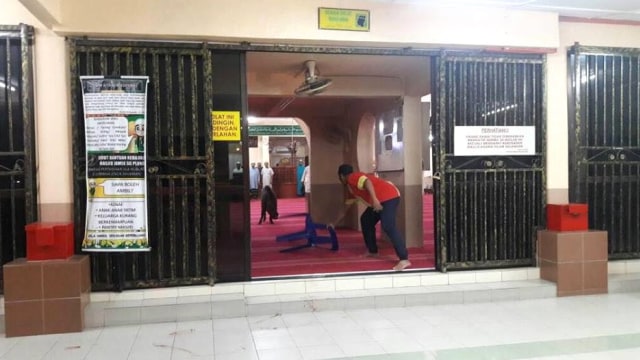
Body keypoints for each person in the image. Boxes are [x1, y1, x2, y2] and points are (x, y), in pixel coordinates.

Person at [329, 164, 411, 271]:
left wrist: (375, 200)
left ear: (341, 176)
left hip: (389, 197)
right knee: (366, 220)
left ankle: (404, 259)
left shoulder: (352, 177)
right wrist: (334, 223)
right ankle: (373, 251)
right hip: (379, 200)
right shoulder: (351, 188)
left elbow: (367, 182)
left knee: (388, 226)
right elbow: (346, 208)